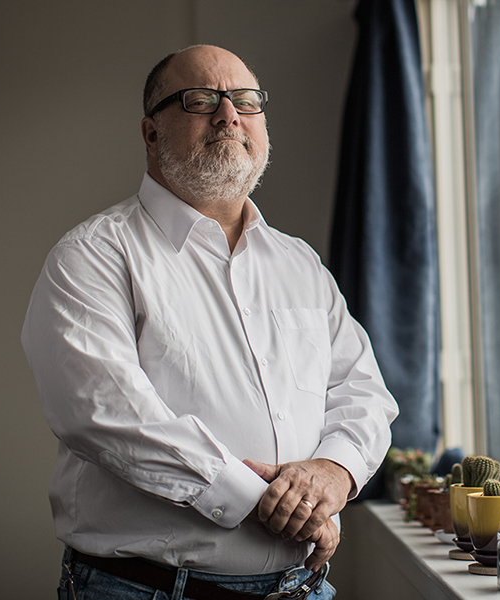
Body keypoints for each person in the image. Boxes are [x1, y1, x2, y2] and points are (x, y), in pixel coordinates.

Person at [22, 44, 398, 600]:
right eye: (200, 101)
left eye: (246, 101)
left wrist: (331, 474)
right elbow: (106, 415)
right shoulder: (94, 256)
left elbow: (362, 391)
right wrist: (270, 504)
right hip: (146, 590)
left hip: (304, 586)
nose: (229, 115)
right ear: (151, 134)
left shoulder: (299, 264)